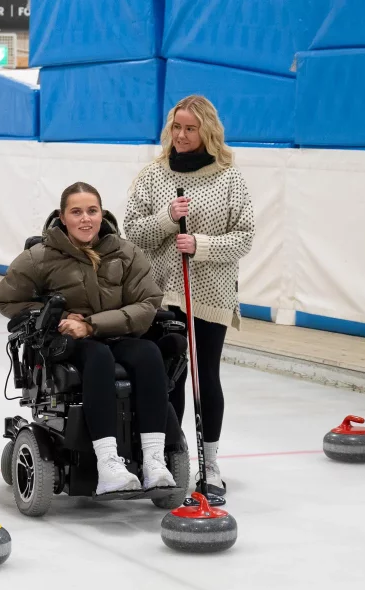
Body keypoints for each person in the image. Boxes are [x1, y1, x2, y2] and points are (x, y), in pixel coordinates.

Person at [0, 182, 175, 495]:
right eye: (76, 212)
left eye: (92, 211)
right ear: (63, 217)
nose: (85, 218)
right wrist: (56, 315)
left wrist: (91, 325)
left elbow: (147, 304)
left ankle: (154, 459)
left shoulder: (126, 253)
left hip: (113, 333)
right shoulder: (40, 257)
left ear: (102, 214)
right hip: (66, 344)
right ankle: (108, 464)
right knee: (98, 358)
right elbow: (5, 300)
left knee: (148, 354)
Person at [123, 94, 255, 497]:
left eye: (190, 128)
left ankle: (210, 467)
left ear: (207, 131)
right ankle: (168, 458)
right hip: (161, 295)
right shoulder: (153, 175)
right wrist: (166, 219)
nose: (181, 135)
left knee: (203, 378)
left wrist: (201, 245)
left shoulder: (229, 178)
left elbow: (245, 236)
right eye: (176, 127)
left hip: (209, 294)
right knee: (166, 381)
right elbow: (132, 229)